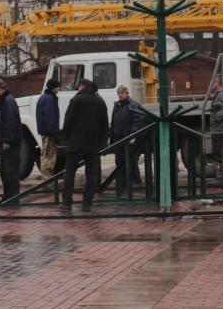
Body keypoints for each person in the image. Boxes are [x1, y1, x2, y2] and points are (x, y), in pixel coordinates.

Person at [60, 78, 108, 212]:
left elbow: (68, 120)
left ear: (82, 86)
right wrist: (102, 142)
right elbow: (105, 124)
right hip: (92, 145)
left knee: (69, 173)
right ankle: (87, 203)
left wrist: (66, 137)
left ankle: (67, 203)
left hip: (75, 144)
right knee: (91, 174)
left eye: (78, 86)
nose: (77, 89)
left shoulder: (76, 100)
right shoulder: (100, 101)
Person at [0, 78, 23, 203]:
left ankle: (13, 197)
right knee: (4, 170)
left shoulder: (8, 102)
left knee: (11, 171)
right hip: (4, 142)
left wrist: (7, 140)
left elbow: (11, 122)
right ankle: (8, 195)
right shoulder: (3, 101)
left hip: (10, 143)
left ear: (0, 89)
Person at [110, 84, 146, 186]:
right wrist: (112, 137)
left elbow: (138, 121)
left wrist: (133, 135)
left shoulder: (134, 104)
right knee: (119, 160)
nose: (120, 95)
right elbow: (113, 121)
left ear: (127, 93)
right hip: (118, 138)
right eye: (118, 93)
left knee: (132, 160)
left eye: (122, 93)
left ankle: (135, 181)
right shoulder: (117, 105)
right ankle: (122, 180)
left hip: (129, 138)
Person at [35, 79, 61, 179]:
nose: (59, 89)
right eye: (58, 87)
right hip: (49, 133)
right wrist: (54, 133)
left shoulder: (43, 97)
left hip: (44, 132)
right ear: (54, 87)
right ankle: (47, 178)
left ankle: (46, 176)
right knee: (48, 156)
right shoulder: (50, 99)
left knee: (46, 154)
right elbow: (50, 118)